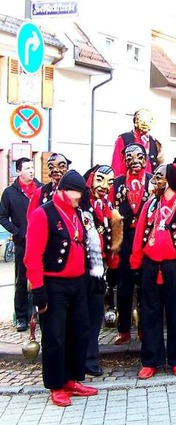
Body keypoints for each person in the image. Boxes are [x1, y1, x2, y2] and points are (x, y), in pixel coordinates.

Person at [24, 170, 99, 407]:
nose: (81, 197)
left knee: (79, 332)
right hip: (54, 283)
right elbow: (32, 256)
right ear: (64, 191)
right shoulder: (42, 214)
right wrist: (38, 290)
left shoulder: (78, 213)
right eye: (78, 193)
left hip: (78, 283)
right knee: (55, 336)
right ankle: (56, 385)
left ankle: (72, 379)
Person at [131, 164, 176, 379]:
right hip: (150, 266)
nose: (153, 181)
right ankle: (151, 360)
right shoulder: (149, 205)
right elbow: (139, 237)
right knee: (150, 314)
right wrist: (136, 264)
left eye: (158, 177)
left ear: (171, 180)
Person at [81, 165, 122, 377]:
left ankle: (90, 357)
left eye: (110, 182)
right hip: (80, 271)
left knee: (95, 314)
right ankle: (81, 358)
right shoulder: (81, 206)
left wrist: (111, 265)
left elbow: (107, 238)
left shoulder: (106, 205)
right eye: (101, 180)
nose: (105, 186)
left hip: (99, 271)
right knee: (82, 316)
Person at [112, 143, 153, 345]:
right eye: (129, 157)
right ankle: (124, 329)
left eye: (139, 156)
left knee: (146, 284)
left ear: (146, 158)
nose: (134, 160)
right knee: (124, 286)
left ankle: (145, 327)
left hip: (146, 238)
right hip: (125, 238)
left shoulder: (154, 181)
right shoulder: (117, 182)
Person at [0, 158, 42, 332]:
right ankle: (22, 317)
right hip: (22, 244)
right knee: (21, 281)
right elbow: (2, 216)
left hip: (40, 242)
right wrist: (17, 231)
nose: (31, 171)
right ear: (18, 171)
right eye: (27, 168)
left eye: (33, 168)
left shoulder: (41, 189)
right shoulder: (10, 193)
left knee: (40, 278)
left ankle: (39, 313)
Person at [111, 109, 163, 176]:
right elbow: (116, 165)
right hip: (128, 182)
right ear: (135, 122)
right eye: (141, 120)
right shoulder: (124, 138)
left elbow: (160, 166)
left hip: (148, 183)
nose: (144, 123)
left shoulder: (155, 142)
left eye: (148, 120)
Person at [27, 153, 71, 217]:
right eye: (51, 167)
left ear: (67, 169)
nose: (55, 170)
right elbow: (31, 217)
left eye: (61, 166)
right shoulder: (39, 192)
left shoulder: (74, 191)